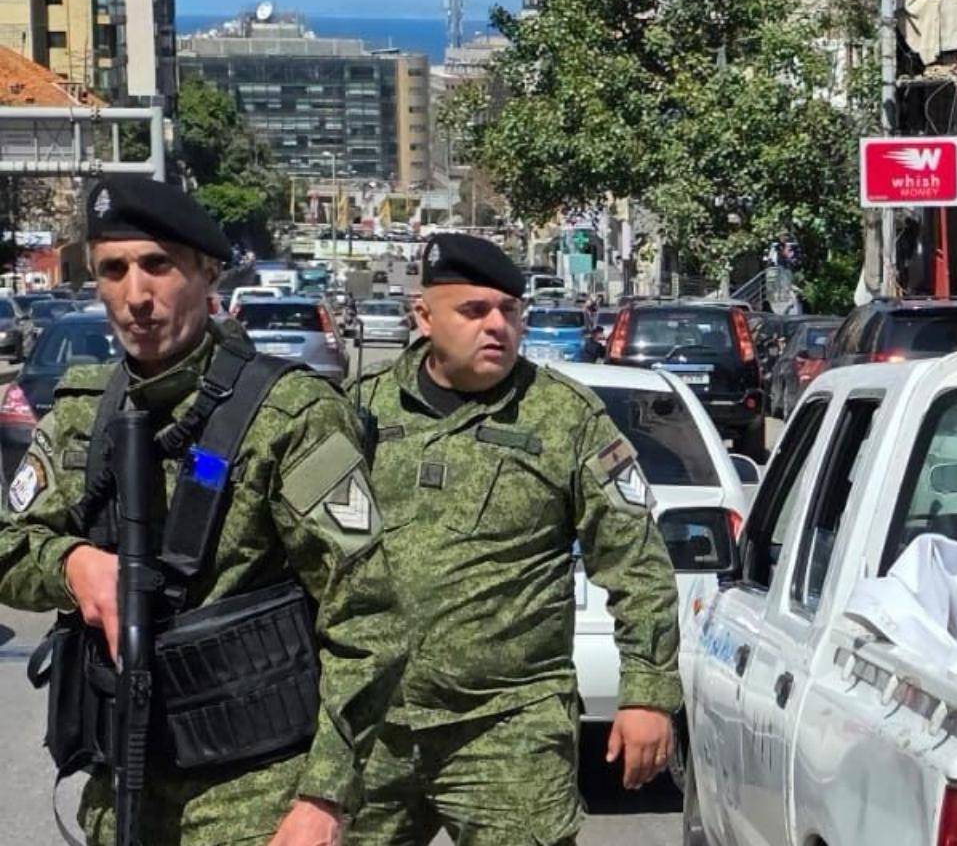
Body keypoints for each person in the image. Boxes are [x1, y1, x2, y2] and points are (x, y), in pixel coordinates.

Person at [0, 175, 405, 845]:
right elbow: (11, 547)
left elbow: (368, 616)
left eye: (158, 265)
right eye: (114, 270)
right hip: (120, 788)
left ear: (206, 271)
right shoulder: (81, 415)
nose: (137, 295)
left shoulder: (289, 417)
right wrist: (71, 564)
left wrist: (325, 799)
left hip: (255, 795)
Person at [349, 234, 681, 844]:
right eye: (474, 311)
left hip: (509, 727)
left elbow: (637, 563)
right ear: (424, 316)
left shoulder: (564, 418)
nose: (497, 325)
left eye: (509, 310)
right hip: (373, 726)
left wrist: (648, 696)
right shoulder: (360, 412)